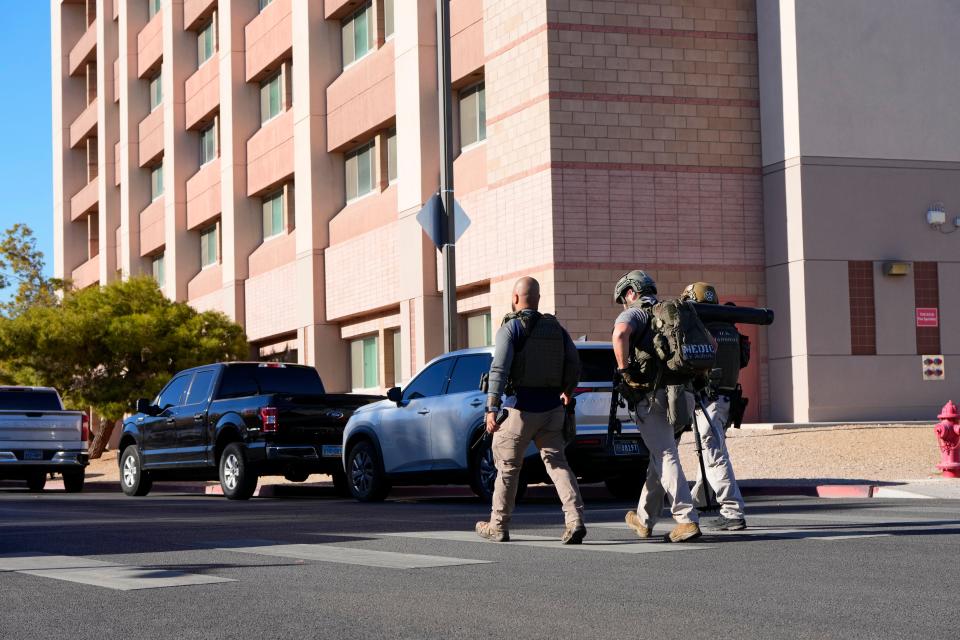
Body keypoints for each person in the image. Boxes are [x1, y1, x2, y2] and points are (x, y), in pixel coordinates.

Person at [475, 277, 586, 544]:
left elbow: (499, 370)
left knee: (509, 467)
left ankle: (498, 525)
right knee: (558, 464)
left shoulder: (511, 328)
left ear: (515, 298)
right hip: (552, 409)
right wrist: (567, 392)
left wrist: (492, 407)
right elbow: (574, 364)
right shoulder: (557, 330)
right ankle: (575, 520)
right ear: (538, 299)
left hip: (519, 410)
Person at [611, 270, 701, 543]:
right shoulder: (677, 312)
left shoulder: (636, 313)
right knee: (660, 455)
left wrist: (625, 370)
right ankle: (644, 518)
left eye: (624, 298)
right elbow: (711, 343)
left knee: (664, 455)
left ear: (630, 292)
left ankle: (686, 519)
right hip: (682, 396)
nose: (625, 304)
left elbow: (620, 335)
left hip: (653, 398)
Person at [679, 282, 748, 531]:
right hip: (728, 399)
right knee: (711, 450)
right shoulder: (730, 327)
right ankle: (700, 500)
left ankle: (733, 511)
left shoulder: (701, 328)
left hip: (709, 399)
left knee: (714, 453)